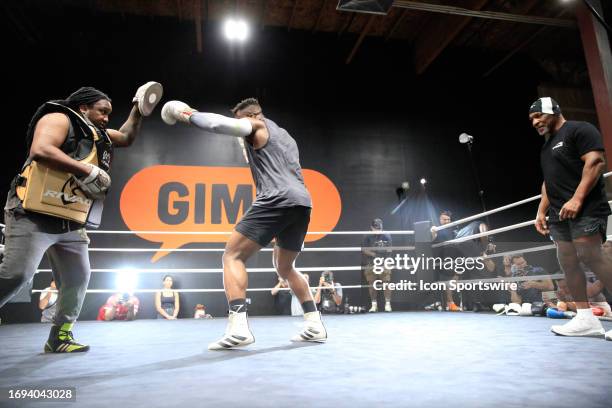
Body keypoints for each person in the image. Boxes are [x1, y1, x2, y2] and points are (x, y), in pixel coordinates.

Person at [0, 83, 161, 352]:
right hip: (33, 214)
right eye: (102, 111)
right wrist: (86, 171)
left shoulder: (98, 135)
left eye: (109, 113)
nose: (106, 118)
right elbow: (41, 149)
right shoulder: (59, 118)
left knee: (77, 277)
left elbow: (126, 136)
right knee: (18, 273)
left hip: (70, 219)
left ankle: (60, 337)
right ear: (82, 107)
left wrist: (139, 107)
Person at [161, 97, 326, 349]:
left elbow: (217, 125)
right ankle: (315, 324)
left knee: (232, 256)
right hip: (302, 203)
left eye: (241, 121)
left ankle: (238, 328)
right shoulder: (286, 137)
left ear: (252, 116)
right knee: (285, 268)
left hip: (276, 198)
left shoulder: (257, 125)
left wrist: (186, 113)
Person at [531, 97, 612, 339]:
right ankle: (585, 319)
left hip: (586, 207)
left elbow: (596, 162)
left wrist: (577, 199)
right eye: (531, 119)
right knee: (566, 260)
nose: (535, 122)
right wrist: (540, 211)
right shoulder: (546, 147)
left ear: (554, 111)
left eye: (538, 116)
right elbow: (549, 183)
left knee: (591, 255)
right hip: (559, 214)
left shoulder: (579, 129)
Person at [361, 218, 393, 312]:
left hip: (384, 261)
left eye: (380, 228)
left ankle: (388, 304)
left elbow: (390, 249)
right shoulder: (367, 236)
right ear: (372, 228)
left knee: (386, 283)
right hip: (371, 262)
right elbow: (364, 249)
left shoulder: (387, 235)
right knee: (372, 284)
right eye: (376, 228)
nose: (378, 230)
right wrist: (375, 254)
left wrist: (383, 257)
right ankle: (374, 305)